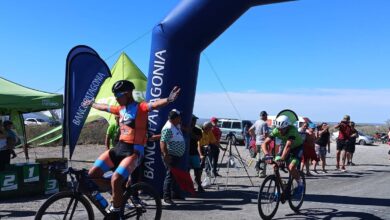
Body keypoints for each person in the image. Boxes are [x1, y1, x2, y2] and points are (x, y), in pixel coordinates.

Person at [84, 80, 180, 216]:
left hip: (134, 151)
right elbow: (104, 107)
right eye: (115, 95)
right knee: (91, 176)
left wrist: (169, 99)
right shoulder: (120, 109)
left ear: (128, 93)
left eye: (118, 95)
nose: (116, 98)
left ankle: (116, 211)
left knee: (116, 179)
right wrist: (92, 104)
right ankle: (118, 190)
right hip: (119, 148)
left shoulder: (141, 107)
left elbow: (154, 105)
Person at [261, 115, 304, 193]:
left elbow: (288, 146)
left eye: (282, 129)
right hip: (284, 145)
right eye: (278, 129)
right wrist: (267, 155)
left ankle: (300, 184)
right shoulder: (276, 130)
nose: (280, 131)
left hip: (297, 148)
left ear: (287, 127)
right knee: (275, 166)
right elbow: (264, 143)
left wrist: (282, 159)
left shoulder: (292, 130)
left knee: (291, 167)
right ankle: (280, 186)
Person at [160, 109, 186, 205]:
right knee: (170, 176)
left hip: (176, 156)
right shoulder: (168, 127)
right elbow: (162, 142)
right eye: (179, 117)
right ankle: (166, 198)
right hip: (170, 156)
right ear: (174, 118)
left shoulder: (176, 126)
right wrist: (166, 155)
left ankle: (173, 194)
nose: (180, 119)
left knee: (174, 176)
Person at [249, 111, 269, 178]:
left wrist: (254, 137)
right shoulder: (264, 123)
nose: (267, 117)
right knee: (263, 158)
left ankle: (258, 172)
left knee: (258, 158)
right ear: (264, 116)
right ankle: (262, 173)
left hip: (257, 142)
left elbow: (250, 129)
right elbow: (265, 134)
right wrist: (267, 143)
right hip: (263, 143)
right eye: (266, 116)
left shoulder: (257, 122)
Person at [188, 114, 204, 192]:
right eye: (193, 120)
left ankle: (199, 185)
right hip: (186, 154)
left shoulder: (198, 130)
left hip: (194, 152)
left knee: (197, 170)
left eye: (195, 120)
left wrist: (190, 132)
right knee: (186, 170)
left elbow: (198, 138)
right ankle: (188, 186)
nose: (194, 122)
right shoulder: (184, 128)